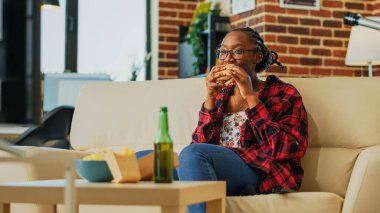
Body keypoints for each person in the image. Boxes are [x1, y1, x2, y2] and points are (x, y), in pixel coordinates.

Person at [177, 27, 308, 213]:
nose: (228, 58)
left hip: (260, 170)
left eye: (237, 51)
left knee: (193, 155)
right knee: (145, 161)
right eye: (223, 52)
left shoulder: (284, 94)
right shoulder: (221, 97)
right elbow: (199, 144)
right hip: (214, 167)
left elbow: (286, 150)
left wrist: (250, 95)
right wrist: (210, 98)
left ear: (257, 57)